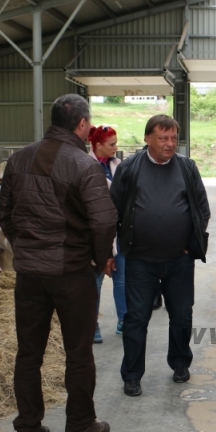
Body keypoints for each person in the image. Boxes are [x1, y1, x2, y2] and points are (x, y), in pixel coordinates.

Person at [0, 94, 117, 432]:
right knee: (78, 352)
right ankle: (80, 425)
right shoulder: (83, 164)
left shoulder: (18, 159)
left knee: (28, 353)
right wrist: (100, 259)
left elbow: (4, 213)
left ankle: (28, 431)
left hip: (30, 275)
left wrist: (25, 248)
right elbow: (104, 219)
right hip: (71, 271)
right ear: (82, 124)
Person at [110, 115, 210, 397]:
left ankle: (180, 363)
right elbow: (114, 210)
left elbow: (201, 209)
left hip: (179, 260)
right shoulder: (130, 168)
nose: (169, 144)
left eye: (173, 138)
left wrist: (191, 243)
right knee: (136, 318)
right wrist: (109, 249)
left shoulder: (187, 168)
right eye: (163, 138)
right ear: (148, 139)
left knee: (181, 314)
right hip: (141, 260)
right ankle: (132, 375)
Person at [88, 125, 125, 343]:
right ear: (98, 145)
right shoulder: (86, 165)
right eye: (112, 144)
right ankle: (92, 326)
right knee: (96, 280)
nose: (116, 148)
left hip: (118, 229)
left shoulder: (118, 165)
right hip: (97, 231)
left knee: (122, 277)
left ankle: (124, 321)